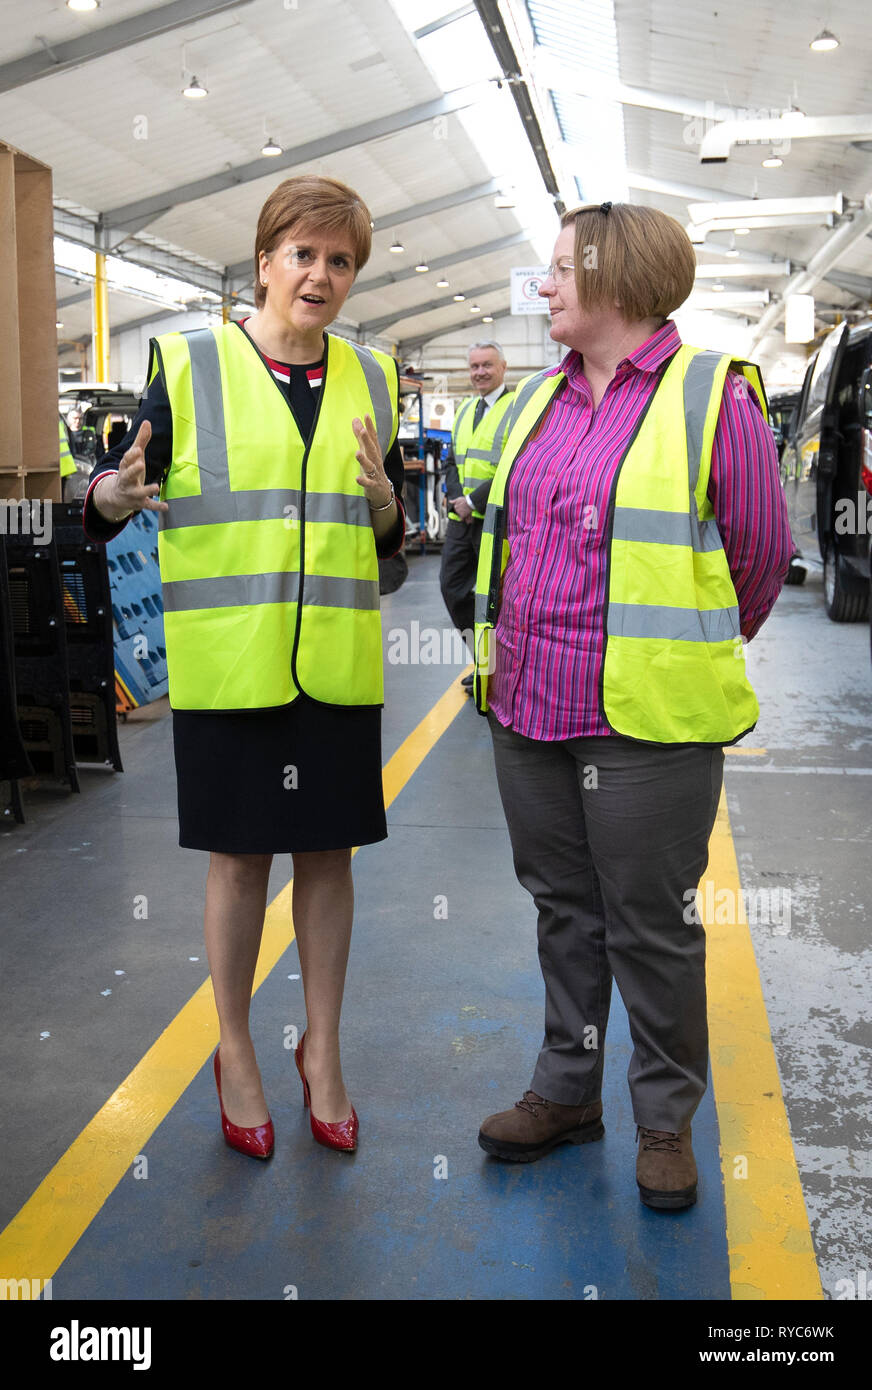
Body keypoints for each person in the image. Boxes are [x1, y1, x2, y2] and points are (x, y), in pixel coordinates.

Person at [471, 201, 794, 1209]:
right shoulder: (533, 401)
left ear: (617, 278)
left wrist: (675, 649)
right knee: (564, 911)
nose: (546, 285)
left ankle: (664, 1120)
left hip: (646, 721)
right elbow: (500, 538)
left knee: (647, 924)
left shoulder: (710, 395)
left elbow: (754, 556)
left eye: (563, 268)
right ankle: (566, 1091)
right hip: (528, 703)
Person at [82, 175, 406, 1160]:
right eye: (301, 254)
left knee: (327, 857)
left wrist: (389, 505)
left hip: (335, 670)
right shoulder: (188, 364)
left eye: (339, 259)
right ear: (263, 259)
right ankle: (233, 1048)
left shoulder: (373, 378)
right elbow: (114, 487)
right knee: (240, 860)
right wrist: (111, 495)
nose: (319, 274)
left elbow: (386, 553)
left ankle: (323, 1049)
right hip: (231, 669)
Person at [439, 341, 511, 693]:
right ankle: (485, 662)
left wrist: (472, 500)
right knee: (453, 589)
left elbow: (516, 465)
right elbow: (452, 460)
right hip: (461, 520)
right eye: (474, 367)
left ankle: (497, 670)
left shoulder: (516, 408)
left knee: (496, 599)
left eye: (487, 365)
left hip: (496, 521)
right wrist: (457, 500)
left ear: (503, 367)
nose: (479, 372)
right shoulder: (465, 409)